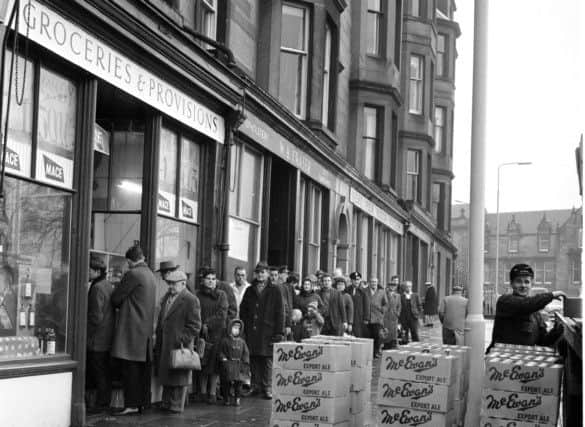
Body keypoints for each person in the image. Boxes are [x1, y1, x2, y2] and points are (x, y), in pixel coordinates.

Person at [110, 245, 156, 415]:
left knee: (130, 370)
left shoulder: (133, 274)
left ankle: (131, 404)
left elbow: (116, 298)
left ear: (130, 260)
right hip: (144, 332)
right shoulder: (150, 274)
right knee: (141, 371)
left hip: (131, 330)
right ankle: (141, 403)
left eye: (127, 262)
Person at [488, 264, 566, 352]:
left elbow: (543, 342)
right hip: (500, 360)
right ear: (511, 284)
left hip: (523, 361)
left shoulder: (536, 314)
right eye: (518, 281)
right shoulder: (505, 301)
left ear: (532, 284)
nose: (523, 285)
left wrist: (558, 328)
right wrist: (551, 295)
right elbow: (525, 305)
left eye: (527, 282)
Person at [154, 270, 201, 413]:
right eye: (169, 283)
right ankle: (166, 403)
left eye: (173, 284)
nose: (170, 286)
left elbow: (195, 326)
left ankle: (174, 406)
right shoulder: (168, 297)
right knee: (168, 375)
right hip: (166, 344)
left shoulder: (190, 300)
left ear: (183, 283)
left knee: (177, 377)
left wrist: (181, 339)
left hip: (179, 346)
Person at [240, 262, 285, 399]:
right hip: (252, 330)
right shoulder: (250, 290)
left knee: (267, 360)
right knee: (253, 358)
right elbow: (243, 310)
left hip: (268, 331)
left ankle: (268, 388)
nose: (260, 275)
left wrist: (279, 332)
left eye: (263, 272)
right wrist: (245, 327)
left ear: (267, 274)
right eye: (258, 272)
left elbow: (280, 312)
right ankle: (255, 386)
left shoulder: (275, 290)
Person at [86, 257, 115, 413]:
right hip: (106, 337)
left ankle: (101, 404)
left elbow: (95, 317)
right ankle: (104, 402)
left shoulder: (97, 288)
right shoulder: (108, 285)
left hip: (97, 338)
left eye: (89, 269)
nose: (87, 272)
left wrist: (86, 333)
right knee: (103, 371)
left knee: (98, 372)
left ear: (97, 271)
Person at [196, 267, 228, 404]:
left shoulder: (221, 295)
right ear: (203, 280)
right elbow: (195, 311)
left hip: (217, 333)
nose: (211, 281)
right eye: (208, 279)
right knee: (202, 363)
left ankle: (213, 393)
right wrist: (200, 325)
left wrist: (208, 324)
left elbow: (222, 313)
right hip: (201, 333)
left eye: (213, 279)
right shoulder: (198, 295)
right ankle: (202, 392)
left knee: (214, 364)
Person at [218, 319, 250, 407]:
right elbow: (220, 352)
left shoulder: (242, 342)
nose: (236, 330)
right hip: (228, 365)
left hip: (239, 365)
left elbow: (246, 352)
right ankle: (226, 399)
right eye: (234, 327)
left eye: (238, 328)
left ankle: (237, 399)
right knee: (226, 383)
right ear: (230, 328)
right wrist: (223, 359)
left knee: (238, 384)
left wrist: (245, 362)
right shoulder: (225, 341)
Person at [367, 278, 388, 357]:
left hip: (377, 318)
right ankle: (369, 352)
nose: (373, 283)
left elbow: (386, 304)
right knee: (369, 335)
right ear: (369, 283)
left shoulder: (381, 292)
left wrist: (382, 310)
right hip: (368, 317)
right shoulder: (366, 291)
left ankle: (375, 352)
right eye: (372, 282)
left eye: (375, 282)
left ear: (377, 283)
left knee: (377, 336)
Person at [347, 272, 370, 338]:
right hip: (349, 316)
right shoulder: (347, 290)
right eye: (354, 280)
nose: (356, 281)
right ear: (351, 280)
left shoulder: (363, 291)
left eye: (358, 279)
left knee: (358, 334)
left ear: (360, 280)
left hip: (359, 317)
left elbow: (367, 305)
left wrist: (366, 318)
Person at [382, 276, 402, 349]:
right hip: (386, 316)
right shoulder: (384, 294)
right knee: (386, 331)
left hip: (394, 316)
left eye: (394, 286)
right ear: (388, 286)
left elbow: (399, 306)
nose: (392, 287)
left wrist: (397, 313)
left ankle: (393, 345)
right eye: (391, 286)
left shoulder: (398, 295)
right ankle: (386, 345)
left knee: (394, 332)